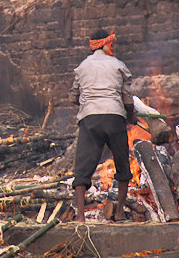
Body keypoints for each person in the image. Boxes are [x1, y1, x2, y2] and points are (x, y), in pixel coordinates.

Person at [69, 29, 136, 222]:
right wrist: (131, 117)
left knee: (82, 169)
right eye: (111, 44)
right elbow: (128, 100)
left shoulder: (82, 66)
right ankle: (120, 213)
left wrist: (87, 105)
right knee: (123, 166)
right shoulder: (118, 65)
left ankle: (80, 216)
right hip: (115, 118)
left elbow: (74, 96)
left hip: (90, 120)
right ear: (106, 45)